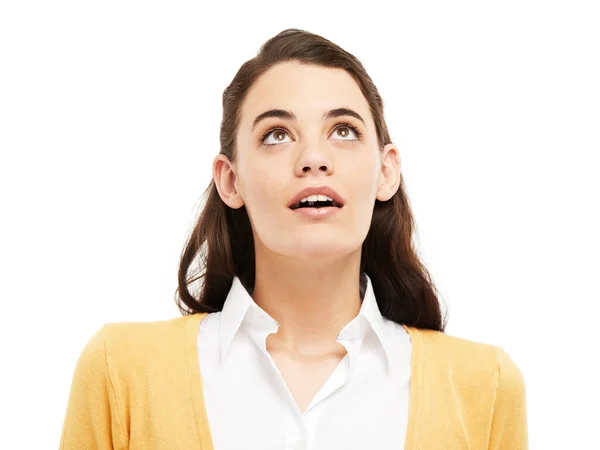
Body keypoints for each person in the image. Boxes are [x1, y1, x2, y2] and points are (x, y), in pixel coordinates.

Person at [59, 28, 528, 449]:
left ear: (386, 173)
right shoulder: (118, 372)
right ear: (230, 180)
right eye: (276, 135)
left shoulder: (485, 387)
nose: (313, 158)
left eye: (343, 130)